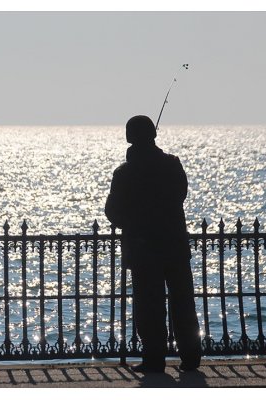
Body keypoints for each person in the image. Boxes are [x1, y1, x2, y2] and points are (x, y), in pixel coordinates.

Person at [105, 115, 202, 373]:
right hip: (174, 246)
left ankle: (154, 360)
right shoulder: (172, 165)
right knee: (183, 302)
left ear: (129, 138)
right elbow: (180, 194)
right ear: (153, 135)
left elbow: (112, 212)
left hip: (142, 248)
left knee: (149, 306)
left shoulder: (124, 173)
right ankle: (191, 357)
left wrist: (135, 220)